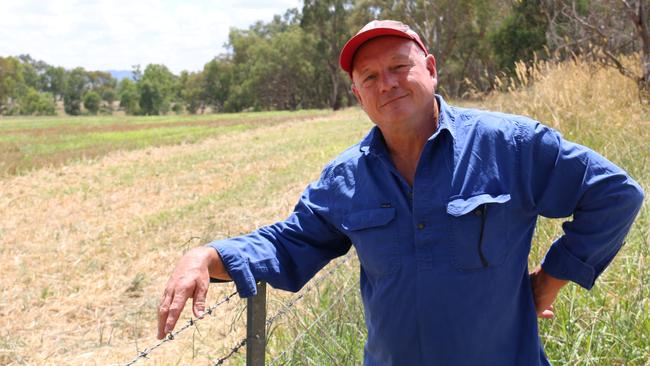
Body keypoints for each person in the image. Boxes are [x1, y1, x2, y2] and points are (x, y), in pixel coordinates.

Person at [157, 20, 644, 365]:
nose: (386, 83)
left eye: (398, 67)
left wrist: (553, 277)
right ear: (357, 94)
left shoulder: (509, 145)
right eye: (369, 77)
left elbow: (615, 195)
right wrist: (208, 255)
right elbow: (289, 242)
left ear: (430, 68)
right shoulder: (346, 179)